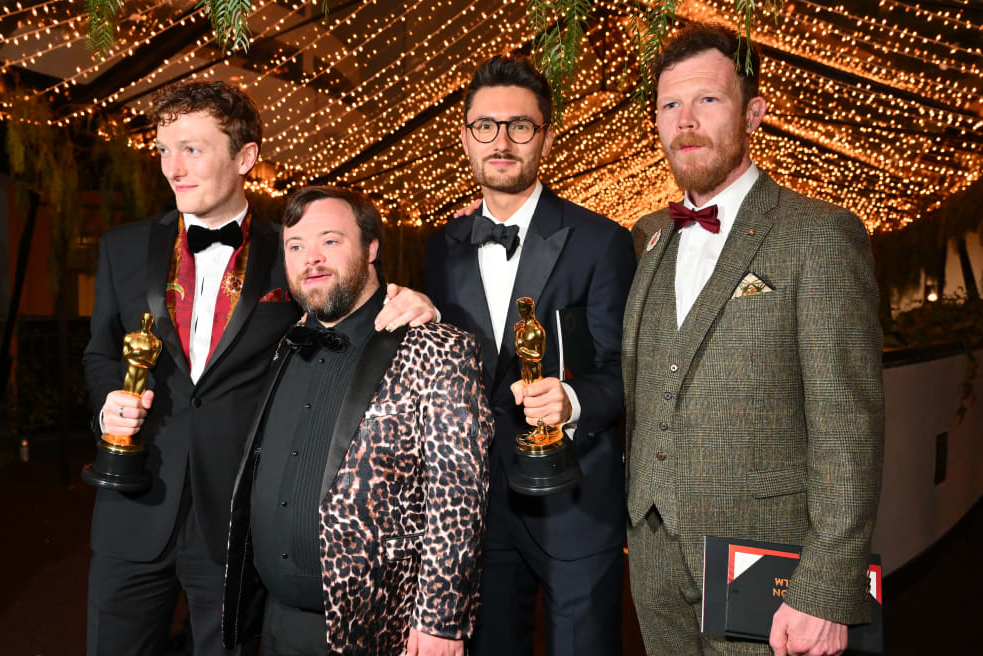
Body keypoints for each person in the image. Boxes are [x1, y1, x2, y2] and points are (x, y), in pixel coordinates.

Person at [82, 82, 435, 656]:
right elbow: (99, 353)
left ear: (245, 157)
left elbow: (350, 311)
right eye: (164, 149)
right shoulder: (120, 248)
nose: (174, 166)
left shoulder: (293, 251)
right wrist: (107, 405)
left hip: (240, 517)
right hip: (132, 504)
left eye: (192, 149)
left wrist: (414, 302)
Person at [622, 23, 885, 656]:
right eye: (670, 105)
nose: (686, 121)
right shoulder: (647, 236)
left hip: (769, 568)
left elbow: (848, 426)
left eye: (707, 100)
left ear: (754, 113)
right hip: (654, 559)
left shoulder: (817, 234)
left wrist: (823, 587)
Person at [423, 55, 636, 655]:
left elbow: (625, 370)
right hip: (475, 512)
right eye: (485, 126)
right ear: (465, 136)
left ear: (544, 135)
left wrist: (569, 399)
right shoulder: (443, 248)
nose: (501, 141)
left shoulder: (602, 241)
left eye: (520, 126)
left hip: (575, 500)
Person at [222, 186, 492, 656]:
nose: (311, 258)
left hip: (379, 630)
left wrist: (441, 623)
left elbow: (459, 502)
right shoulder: (284, 346)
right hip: (273, 624)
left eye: (330, 240)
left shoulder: (436, 347)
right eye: (296, 246)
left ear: (371, 248)